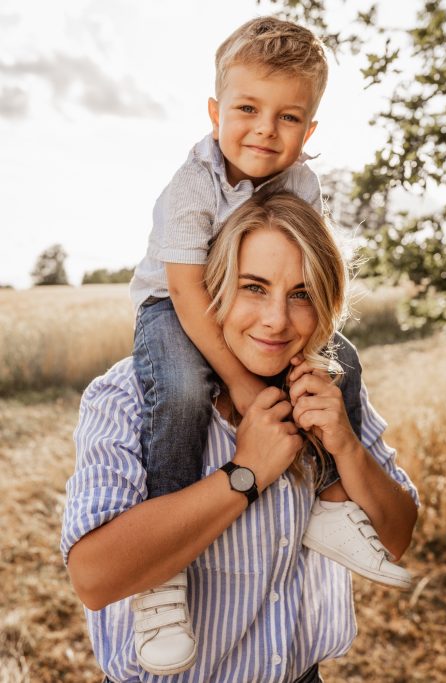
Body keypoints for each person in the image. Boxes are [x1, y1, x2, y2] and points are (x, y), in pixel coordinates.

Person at [128, 16, 411, 674]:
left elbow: (306, 275)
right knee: (176, 387)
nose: (263, 130)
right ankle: (161, 576)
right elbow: (191, 295)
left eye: (288, 117)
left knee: (340, 359)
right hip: (176, 306)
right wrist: (248, 385)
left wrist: (303, 360)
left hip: (242, 309)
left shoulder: (301, 184)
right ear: (213, 111)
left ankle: (333, 502)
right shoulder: (192, 185)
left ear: (309, 130)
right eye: (246, 109)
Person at [62, 193, 418, 683]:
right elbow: (94, 579)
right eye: (254, 287)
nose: (276, 319)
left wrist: (345, 445)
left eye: (302, 294)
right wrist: (245, 473)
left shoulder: (326, 389)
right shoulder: (129, 396)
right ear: (215, 289)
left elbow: (396, 538)